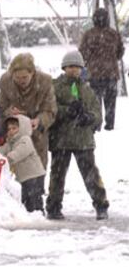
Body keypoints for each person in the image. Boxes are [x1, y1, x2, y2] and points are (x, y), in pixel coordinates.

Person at [46, 50, 109, 220]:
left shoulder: (87, 89)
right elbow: (50, 109)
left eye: (77, 67)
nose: (74, 70)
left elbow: (97, 111)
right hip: (61, 138)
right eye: (70, 66)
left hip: (83, 139)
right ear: (64, 68)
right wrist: (67, 111)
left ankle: (101, 204)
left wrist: (89, 118)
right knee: (57, 175)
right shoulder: (55, 87)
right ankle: (53, 206)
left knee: (91, 174)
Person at [0, 53, 57, 174]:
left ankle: (37, 190)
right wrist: (9, 112)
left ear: (32, 73)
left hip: (36, 133)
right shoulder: (6, 82)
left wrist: (39, 120)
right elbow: (0, 107)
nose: (21, 81)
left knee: (37, 169)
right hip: (13, 132)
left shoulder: (45, 83)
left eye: (24, 77)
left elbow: (50, 110)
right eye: (17, 78)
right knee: (14, 170)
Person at [79, 7, 125, 131]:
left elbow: (82, 53)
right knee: (110, 102)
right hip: (111, 74)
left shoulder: (88, 35)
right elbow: (120, 53)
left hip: (94, 74)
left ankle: (96, 124)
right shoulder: (114, 34)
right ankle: (110, 125)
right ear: (108, 19)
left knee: (95, 101)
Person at [0, 115, 46, 213]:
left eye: (14, 128)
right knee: (25, 198)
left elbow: (19, 153)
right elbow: (1, 151)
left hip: (34, 176)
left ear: (23, 127)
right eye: (9, 129)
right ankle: (29, 213)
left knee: (33, 198)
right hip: (23, 177)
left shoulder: (25, 140)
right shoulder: (10, 142)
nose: (11, 131)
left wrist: (7, 159)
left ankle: (38, 214)